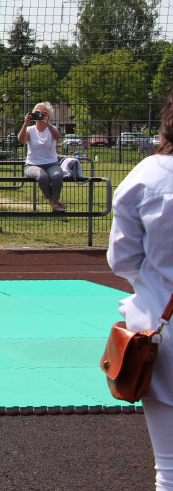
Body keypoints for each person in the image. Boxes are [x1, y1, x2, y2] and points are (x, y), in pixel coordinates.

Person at [108, 85, 173, 491]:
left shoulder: (148, 176)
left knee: (169, 468)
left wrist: (153, 282)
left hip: (162, 328)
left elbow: (123, 259)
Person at [18, 102, 65, 212]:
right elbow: (21, 140)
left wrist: (47, 124)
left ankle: (54, 202)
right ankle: (54, 202)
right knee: (42, 176)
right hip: (32, 164)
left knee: (57, 175)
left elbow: (57, 137)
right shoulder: (30, 130)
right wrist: (25, 123)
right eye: (37, 113)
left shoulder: (52, 128)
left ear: (48, 115)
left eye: (43, 113)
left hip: (52, 163)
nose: (39, 115)